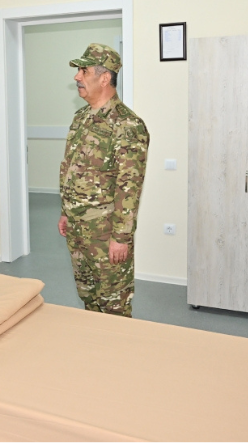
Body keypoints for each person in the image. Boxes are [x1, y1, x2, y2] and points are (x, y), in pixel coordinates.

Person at [58, 43, 149, 318]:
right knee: (88, 296)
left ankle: (118, 346)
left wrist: (121, 237)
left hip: (105, 233)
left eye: (84, 71)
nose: (77, 77)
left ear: (104, 78)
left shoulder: (127, 125)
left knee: (113, 304)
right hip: (78, 229)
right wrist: (66, 212)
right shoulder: (81, 118)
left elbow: (129, 186)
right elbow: (70, 168)